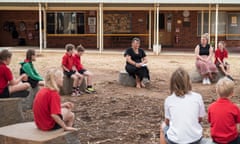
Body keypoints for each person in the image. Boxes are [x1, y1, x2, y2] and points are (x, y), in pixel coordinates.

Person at [160, 67, 206, 144]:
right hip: (195, 139)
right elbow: (200, 119)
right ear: (188, 82)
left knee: (163, 126)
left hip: (175, 141)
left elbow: (167, 122)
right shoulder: (197, 97)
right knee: (197, 125)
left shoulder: (169, 100)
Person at [208, 77, 240, 144]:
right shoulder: (234, 107)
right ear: (232, 93)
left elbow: (210, 122)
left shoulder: (211, 107)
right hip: (231, 139)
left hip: (216, 139)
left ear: (217, 91)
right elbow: (238, 125)